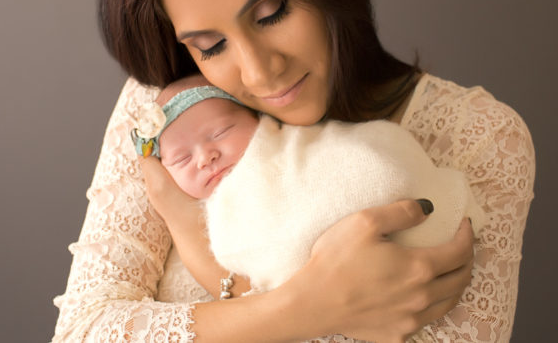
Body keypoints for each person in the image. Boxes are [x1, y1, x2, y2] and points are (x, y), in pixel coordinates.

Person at [52, 0, 535, 342]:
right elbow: (84, 332)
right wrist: (306, 307)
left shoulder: (478, 136)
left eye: (272, 13)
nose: (259, 72)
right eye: (211, 45)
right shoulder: (168, 115)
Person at [134, 74, 486, 294]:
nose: (205, 157)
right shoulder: (194, 199)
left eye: (221, 133)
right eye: (181, 159)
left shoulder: (285, 144)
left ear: (257, 118)